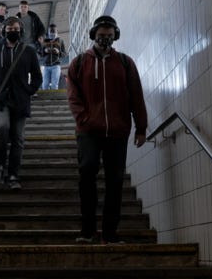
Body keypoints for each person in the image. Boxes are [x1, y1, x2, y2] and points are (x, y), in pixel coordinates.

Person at [66, 15, 147, 245]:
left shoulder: (125, 63)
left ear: (115, 36)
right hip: (88, 131)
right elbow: (73, 96)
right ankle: (88, 231)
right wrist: (84, 119)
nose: (105, 39)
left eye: (109, 36)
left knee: (115, 182)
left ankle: (110, 234)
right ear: (94, 35)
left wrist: (141, 127)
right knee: (87, 173)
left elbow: (136, 96)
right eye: (101, 36)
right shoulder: (79, 63)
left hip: (118, 132)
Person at [0, 17, 42, 190]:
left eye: (15, 28)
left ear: (20, 31)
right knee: (1, 128)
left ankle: (14, 174)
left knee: (18, 138)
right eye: (9, 28)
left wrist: (29, 90)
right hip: (0, 100)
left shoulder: (28, 51)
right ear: (4, 30)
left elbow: (37, 76)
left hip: (20, 101)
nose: (12, 31)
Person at [39, 23, 67, 90]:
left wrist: (58, 52)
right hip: (46, 66)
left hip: (56, 65)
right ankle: (46, 100)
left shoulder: (60, 41)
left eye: (53, 31)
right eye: (50, 32)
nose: (52, 33)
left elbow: (64, 54)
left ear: (56, 31)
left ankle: (54, 100)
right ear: (48, 32)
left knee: (54, 85)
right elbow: (40, 53)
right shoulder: (45, 41)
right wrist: (45, 51)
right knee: (45, 85)